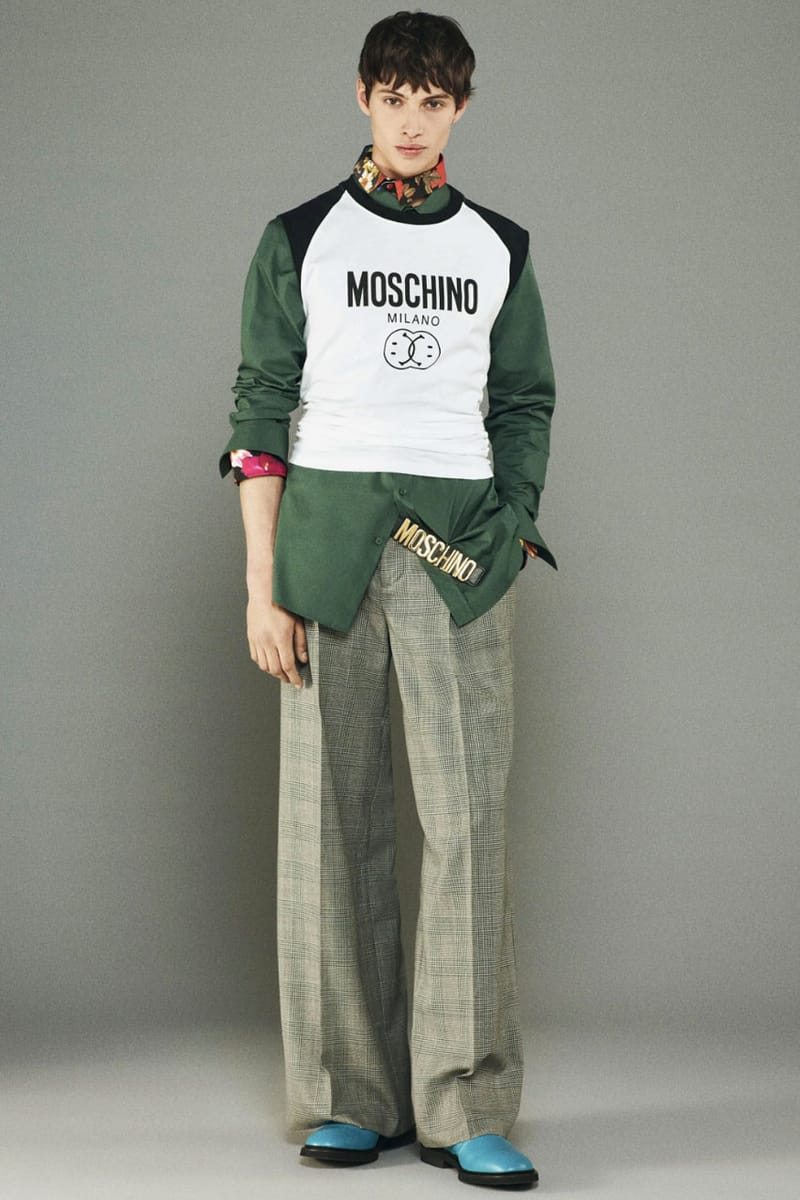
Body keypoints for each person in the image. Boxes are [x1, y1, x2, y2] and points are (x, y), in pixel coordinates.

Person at [220, 11, 556, 1189]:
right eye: (395, 97)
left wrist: (512, 528)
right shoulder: (298, 238)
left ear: (460, 107)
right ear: (362, 96)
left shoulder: (498, 247)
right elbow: (259, 411)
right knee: (328, 823)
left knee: (467, 823)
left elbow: (523, 400)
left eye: (434, 101)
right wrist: (261, 585)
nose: (412, 121)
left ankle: (466, 1101)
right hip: (323, 553)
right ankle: (346, 1096)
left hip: (460, 556)